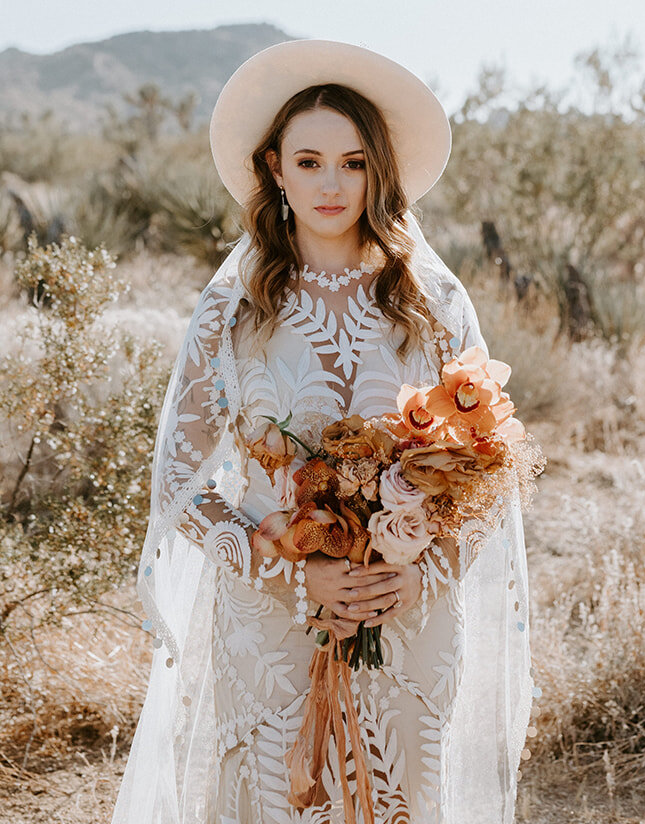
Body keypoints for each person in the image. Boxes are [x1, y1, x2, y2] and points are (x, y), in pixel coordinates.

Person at [112, 40, 536, 824]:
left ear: (380, 172)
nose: (331, 184)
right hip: (272, 622)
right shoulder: (233, 310)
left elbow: (486, 468)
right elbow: (180, 482)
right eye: (309, 162)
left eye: (353, 163)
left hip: (409, 617)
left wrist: (422, 574)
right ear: (274, 168)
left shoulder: (432, 300)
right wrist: (291, 575)